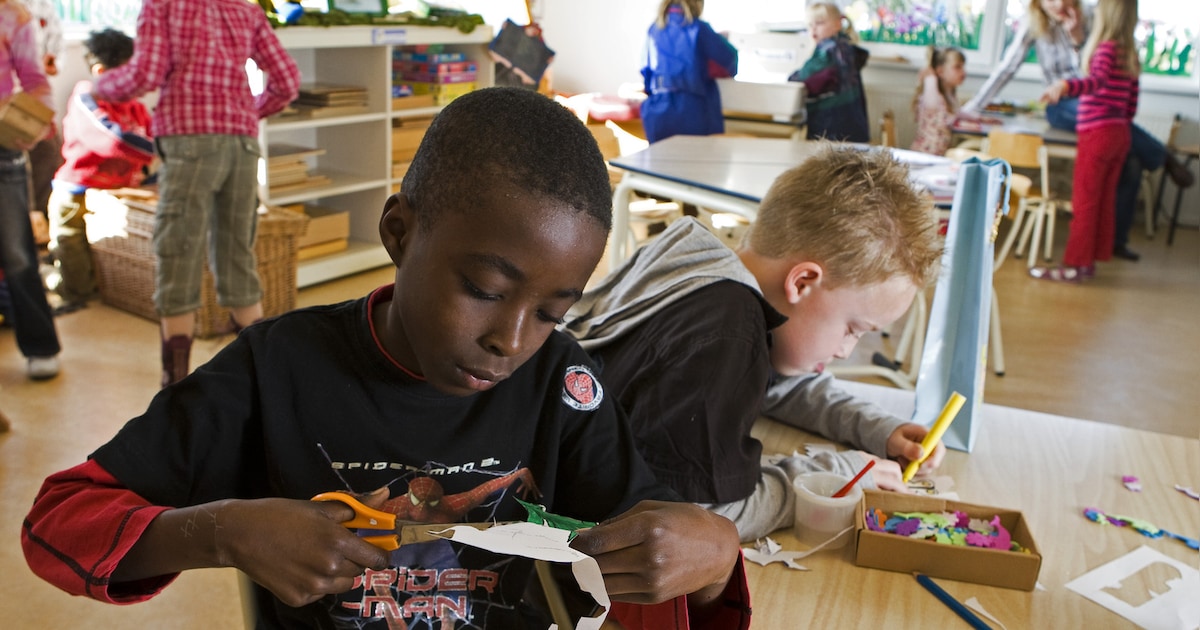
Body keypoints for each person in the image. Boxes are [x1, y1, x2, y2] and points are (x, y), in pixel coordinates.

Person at [22, 87, 749, 630]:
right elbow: (58, 522)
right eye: (485, 289)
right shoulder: (276, 368)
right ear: (400, 232)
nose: (512, 340)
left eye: (553, 312)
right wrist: (224, 530)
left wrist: (715, 555)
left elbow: (645, 568)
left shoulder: (561, 382)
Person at [562, 144, 947, 542]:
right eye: (853, 328)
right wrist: (840, 479)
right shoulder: (725, 331)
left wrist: (878, 429)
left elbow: (778, 383)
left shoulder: (705, 263)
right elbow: (701, 520)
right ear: (802, 282)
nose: (845, 351)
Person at [92, 0, 301, 388]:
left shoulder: (164, 5)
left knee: (178, 253)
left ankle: (176, 383)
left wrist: (100, 87)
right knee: (237, 252)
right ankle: (260, 375)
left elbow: (148, 72)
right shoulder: (245, 9)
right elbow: (287, 80)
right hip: (240, 145)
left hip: (189, 144)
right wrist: (248, 112)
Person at [961, 0, 1194, 262]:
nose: (1059, 4)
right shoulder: (1034, 25)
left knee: (1132, 159)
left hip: (1098, 104)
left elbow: (1099, 71)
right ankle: (1162, 156)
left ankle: (1112, 243)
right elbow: (1007, 69)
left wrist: (1078, 40)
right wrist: (971, 108)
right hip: (1062, 103)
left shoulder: (1092, 18)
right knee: (1109, 125)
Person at [1031, 0, 1138, 282]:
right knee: (1103, 202)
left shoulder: (1106, 48)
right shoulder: (1129, 52)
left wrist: (1066, 86)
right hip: (1119, 135)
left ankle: (1074, 265)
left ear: (1107, 15)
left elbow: (1097, 81)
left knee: (1086, 203)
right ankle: (1090, 261)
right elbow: (1131, 104)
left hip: (1097, 134)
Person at [48, 27, 154, 310]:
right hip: (78, 194)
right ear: (100, 71)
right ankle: (58, 280)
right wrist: (156, 150)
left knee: (113, 268)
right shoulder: (87, 97)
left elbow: (153, 133)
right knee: (76, 275)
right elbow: (113, 140)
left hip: (115, 198)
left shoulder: (134, 106)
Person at [0, 0, 61, 380]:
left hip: (4, 148)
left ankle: (41, 346)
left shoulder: (14, 15)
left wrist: (34, 126)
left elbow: (35, 82)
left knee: (18, 254)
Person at [639, 0, 738, 143]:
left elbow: (646, 71)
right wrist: (723, 40)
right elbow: (728, 62)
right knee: (699, 161)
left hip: (658, 112)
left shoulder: (654, 29)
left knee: (661, 163)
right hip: (694, 112)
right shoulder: (699, 29)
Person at [788, 2, 870, 142]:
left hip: (833, 129)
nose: (813, 29)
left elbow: (804, 78)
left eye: (819, 23)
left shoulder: (830, 50)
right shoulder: (844, 48)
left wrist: (792, 77)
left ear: (838, 24)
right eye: (810, 25)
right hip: (853, 129)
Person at [23, 0, 63, 247]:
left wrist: (50, 63)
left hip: (33, 100)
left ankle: (39, 237)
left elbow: (55, 54)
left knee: (48, 153)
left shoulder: (42, 5)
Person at [911, 47, 970, 156]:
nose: (963, 72)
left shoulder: (950, 96)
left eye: (963, 67)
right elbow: (931, 101)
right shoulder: (933, 97)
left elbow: (958, 113)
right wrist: (930, 77)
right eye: (957, 67)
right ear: (940, 71)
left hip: (938, 156)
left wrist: (978, 118)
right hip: (924, 156)